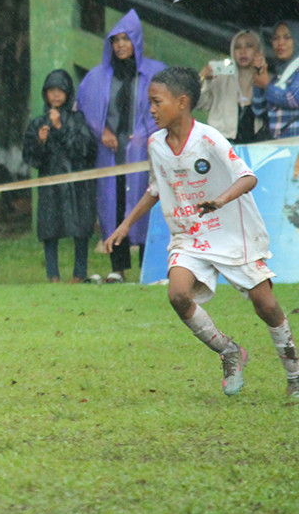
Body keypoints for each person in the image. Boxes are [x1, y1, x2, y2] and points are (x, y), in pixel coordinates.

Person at [104, 66, 299, 402]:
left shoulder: (208, 138)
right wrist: (125, 224)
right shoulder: (156, 144)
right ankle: (229, 351)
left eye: (156, 102)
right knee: (178, 294)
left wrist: (220, 199)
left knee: (265, 305)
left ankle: (295, 376)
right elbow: (155, 188)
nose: (150, 109)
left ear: (182, 103)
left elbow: (248, 177)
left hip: (231, 232)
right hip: (189, 235)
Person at [76, 9, 166, 283]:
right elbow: (86, 107)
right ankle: (118, 267)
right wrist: (101, 131)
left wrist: (145, 133)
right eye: (116, 40)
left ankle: (147, 267)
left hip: (145, 150)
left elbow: (166, 105)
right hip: (112, 152)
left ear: (135, 41)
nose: (120, 45)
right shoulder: (98, 76)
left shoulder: (155, 72)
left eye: (126, 39)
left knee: (146, 204)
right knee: (113, 205)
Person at [22, 70, 97, 283]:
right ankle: (52, 275)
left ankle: (79, 274)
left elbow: (85, 149)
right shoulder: (38, 123)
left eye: (60, 91)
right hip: (50, 184)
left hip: (76, 185)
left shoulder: (77, 120)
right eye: (51, 91)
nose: (55, 96)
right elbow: (31, 158)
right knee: (49, 230)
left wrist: (60, 128)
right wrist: (40, 142)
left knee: (80, 228)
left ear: (68, 93)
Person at [197, 30, 268, 144]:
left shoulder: (264, 79)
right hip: (220, 144)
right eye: (237, 47)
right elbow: (200, 105)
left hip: (253, 145)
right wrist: (204, 80)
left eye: (249, 46)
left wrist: (262, 76)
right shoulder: (220, 77)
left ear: (259, 51)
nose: (242, 51)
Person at [252, 20, 299, 139]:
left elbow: (293, 98)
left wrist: (267, 85)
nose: (280, 43)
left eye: (287, 37)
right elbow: (258, 110)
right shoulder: (277, 76)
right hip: (280, 146)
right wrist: (259, 79)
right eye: (275, 38)